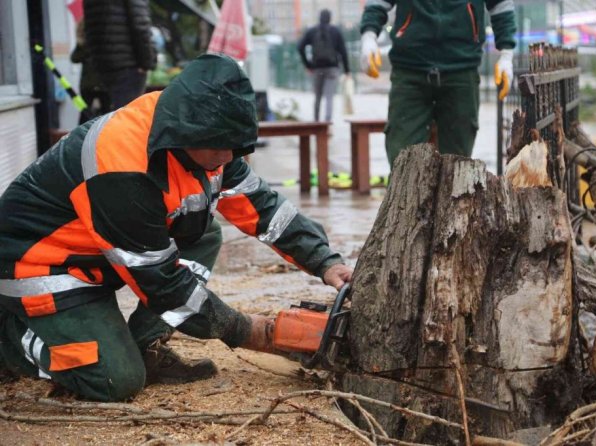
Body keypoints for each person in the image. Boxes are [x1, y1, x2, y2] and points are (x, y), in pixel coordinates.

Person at [0, 54, 353, 401]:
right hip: (40, 267)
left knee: (203, 232)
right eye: (220, 147)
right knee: (114, 379)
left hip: (99, 253)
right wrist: (253, 332)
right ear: (185, 130)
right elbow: (164, 285)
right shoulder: (123, 171)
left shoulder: (209, 133)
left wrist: (324, 261)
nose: (228, 157)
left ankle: (147, 345)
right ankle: (10, 342)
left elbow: (264, 208)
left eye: (235, 146)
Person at [359, 0, 516, 168]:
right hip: (410, 68)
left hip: (461, 69)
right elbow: (378, 2)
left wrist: (506, 53)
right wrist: (369, 36)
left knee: (458, 163)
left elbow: (501, 5)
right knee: (403, 160)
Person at [83, 0, 157, 110]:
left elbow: (89, 27)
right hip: (130, 63)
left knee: (116, 114)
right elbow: (140, 25)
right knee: (130, 114)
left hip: (104, 63)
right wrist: (147, 62)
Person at [298, 9, 351, 122]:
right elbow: (343, 52)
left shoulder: (312, 31)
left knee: (317, 97)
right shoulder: (335, 31)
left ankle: (316, 122)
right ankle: (327, 123)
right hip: (332, 68)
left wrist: (308, 65)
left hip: (317, 68)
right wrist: (347, 71)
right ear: (330, 18)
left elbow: (300, 47)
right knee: (329, 97)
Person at [70, 19, 111, 124]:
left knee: (106, 114)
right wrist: (80, 44)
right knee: (86, 114)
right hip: (90, 85)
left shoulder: (104, 42)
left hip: (102, 84)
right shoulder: (85, 44)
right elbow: (74, 58)